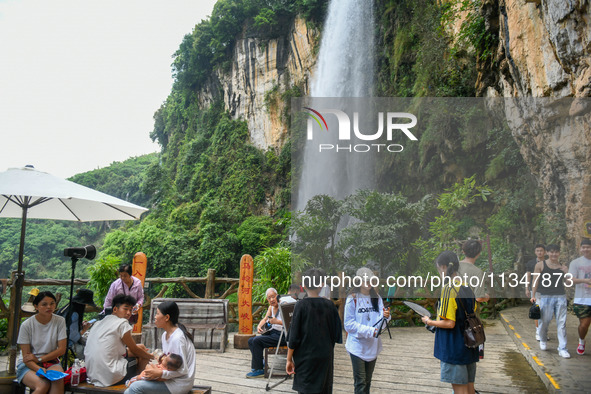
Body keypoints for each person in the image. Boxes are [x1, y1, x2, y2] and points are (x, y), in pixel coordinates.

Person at [422, 251, 479, 394]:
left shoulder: (449, 289)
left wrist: (429, 321)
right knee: (470, 389)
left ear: (443, 267)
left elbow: (449, 323)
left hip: (454, 347)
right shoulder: (466, 286)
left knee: (460, 391)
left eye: (438, 269)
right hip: (469, 345)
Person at [286, 268, 342, 394]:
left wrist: (289, 360)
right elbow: (336, 334)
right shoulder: (330, 306)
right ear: (321, 284)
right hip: (325, 357)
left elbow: (293, 338)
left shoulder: (300, 305)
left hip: (306, 359)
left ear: (304, 286)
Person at [125, 300, 196, 394]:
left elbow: (183, 370)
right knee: (129, 390)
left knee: (135, 387)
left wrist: (160, 373)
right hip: (169, 379)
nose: (155, 317)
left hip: (179, 384)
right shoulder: (165, 335)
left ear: (167, 317)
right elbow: (167, 364)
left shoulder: (178, 338)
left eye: (157, 314)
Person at [85, 294, 153, 386]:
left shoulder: (98, 323)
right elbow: (134, 350)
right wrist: (152, 357)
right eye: (125, 309)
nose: (129, 313)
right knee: (142, 356)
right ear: (115, 309)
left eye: (131, 310)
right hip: (110, 376)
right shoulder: (122, 323)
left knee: (141, 347)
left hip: (92, 374)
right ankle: (140, 385)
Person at [344, 267, 391, 394]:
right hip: (357, 346)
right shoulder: (352, 299)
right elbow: (348, 324)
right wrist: (370, 331)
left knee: (368, 381)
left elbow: (382, 321)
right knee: (360, 382)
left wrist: (386, 316)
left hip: (373, 346)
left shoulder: (377, 298)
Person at [16, 291, 67, 394]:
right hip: (28, 364)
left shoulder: (60, 321)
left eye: (52, 303)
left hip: (51, 361)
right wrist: (39, 368)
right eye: (44, 304)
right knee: (43, 385)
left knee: (58, 379)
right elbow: (26, 357)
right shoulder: (27, 325)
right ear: (36, 306)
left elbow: (61, 349)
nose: (49, 307)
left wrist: (39, 359)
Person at [530, 243, 570, 358]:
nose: (554, 254)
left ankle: (562, 348)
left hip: (560, 296)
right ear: (547, 253)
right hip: (545, 296)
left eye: (556, 252)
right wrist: (533, 295)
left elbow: (568, 283)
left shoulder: (562, 266)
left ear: (559, 253)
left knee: (561, 323)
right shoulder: (540, 265)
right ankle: (543, 339)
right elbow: (535, 281)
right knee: (544, 321)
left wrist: (566, 272)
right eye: (551, 252)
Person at [246, 288, 286, 378]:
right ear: (267, 300)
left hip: (282, 336)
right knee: (251, 340)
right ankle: (262, 363)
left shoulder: (283, 305)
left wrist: (277, 321)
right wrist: (259, 326)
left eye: (273, 297)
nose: (272, 299)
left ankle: (259, 369)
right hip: (273, 333)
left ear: (277, 296)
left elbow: (290, 322)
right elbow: (265, 319)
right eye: (269, 298)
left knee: (256, 340)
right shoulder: (271, 307)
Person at [568, 238, 591, 355]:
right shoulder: (576, 263)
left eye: (588, 247)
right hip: (582, 298)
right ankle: (581, 341)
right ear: (581, 249)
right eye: (584, 247)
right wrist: (584, 280)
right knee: (584, 325)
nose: (586, 249)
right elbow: (570, 280)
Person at [60, 288, 96, 358]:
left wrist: (79, 326)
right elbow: (72, 337)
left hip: (60, 342)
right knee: (93, 350)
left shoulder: (66, 308)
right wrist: (83, 330)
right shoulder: (75, 315)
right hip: (68, 346)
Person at [525, 244, 546, 340]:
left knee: (546, 312)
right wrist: (526, 288)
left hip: (547, 290)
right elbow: (528, 276)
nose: (539, 252)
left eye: (541, 250)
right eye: (537, 250)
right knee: (537, 310)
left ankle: (543, 331)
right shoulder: (530, 263)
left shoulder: (549, 263)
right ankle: (538, 331)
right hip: (535, 290)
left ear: (545, 252)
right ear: (535, 252)